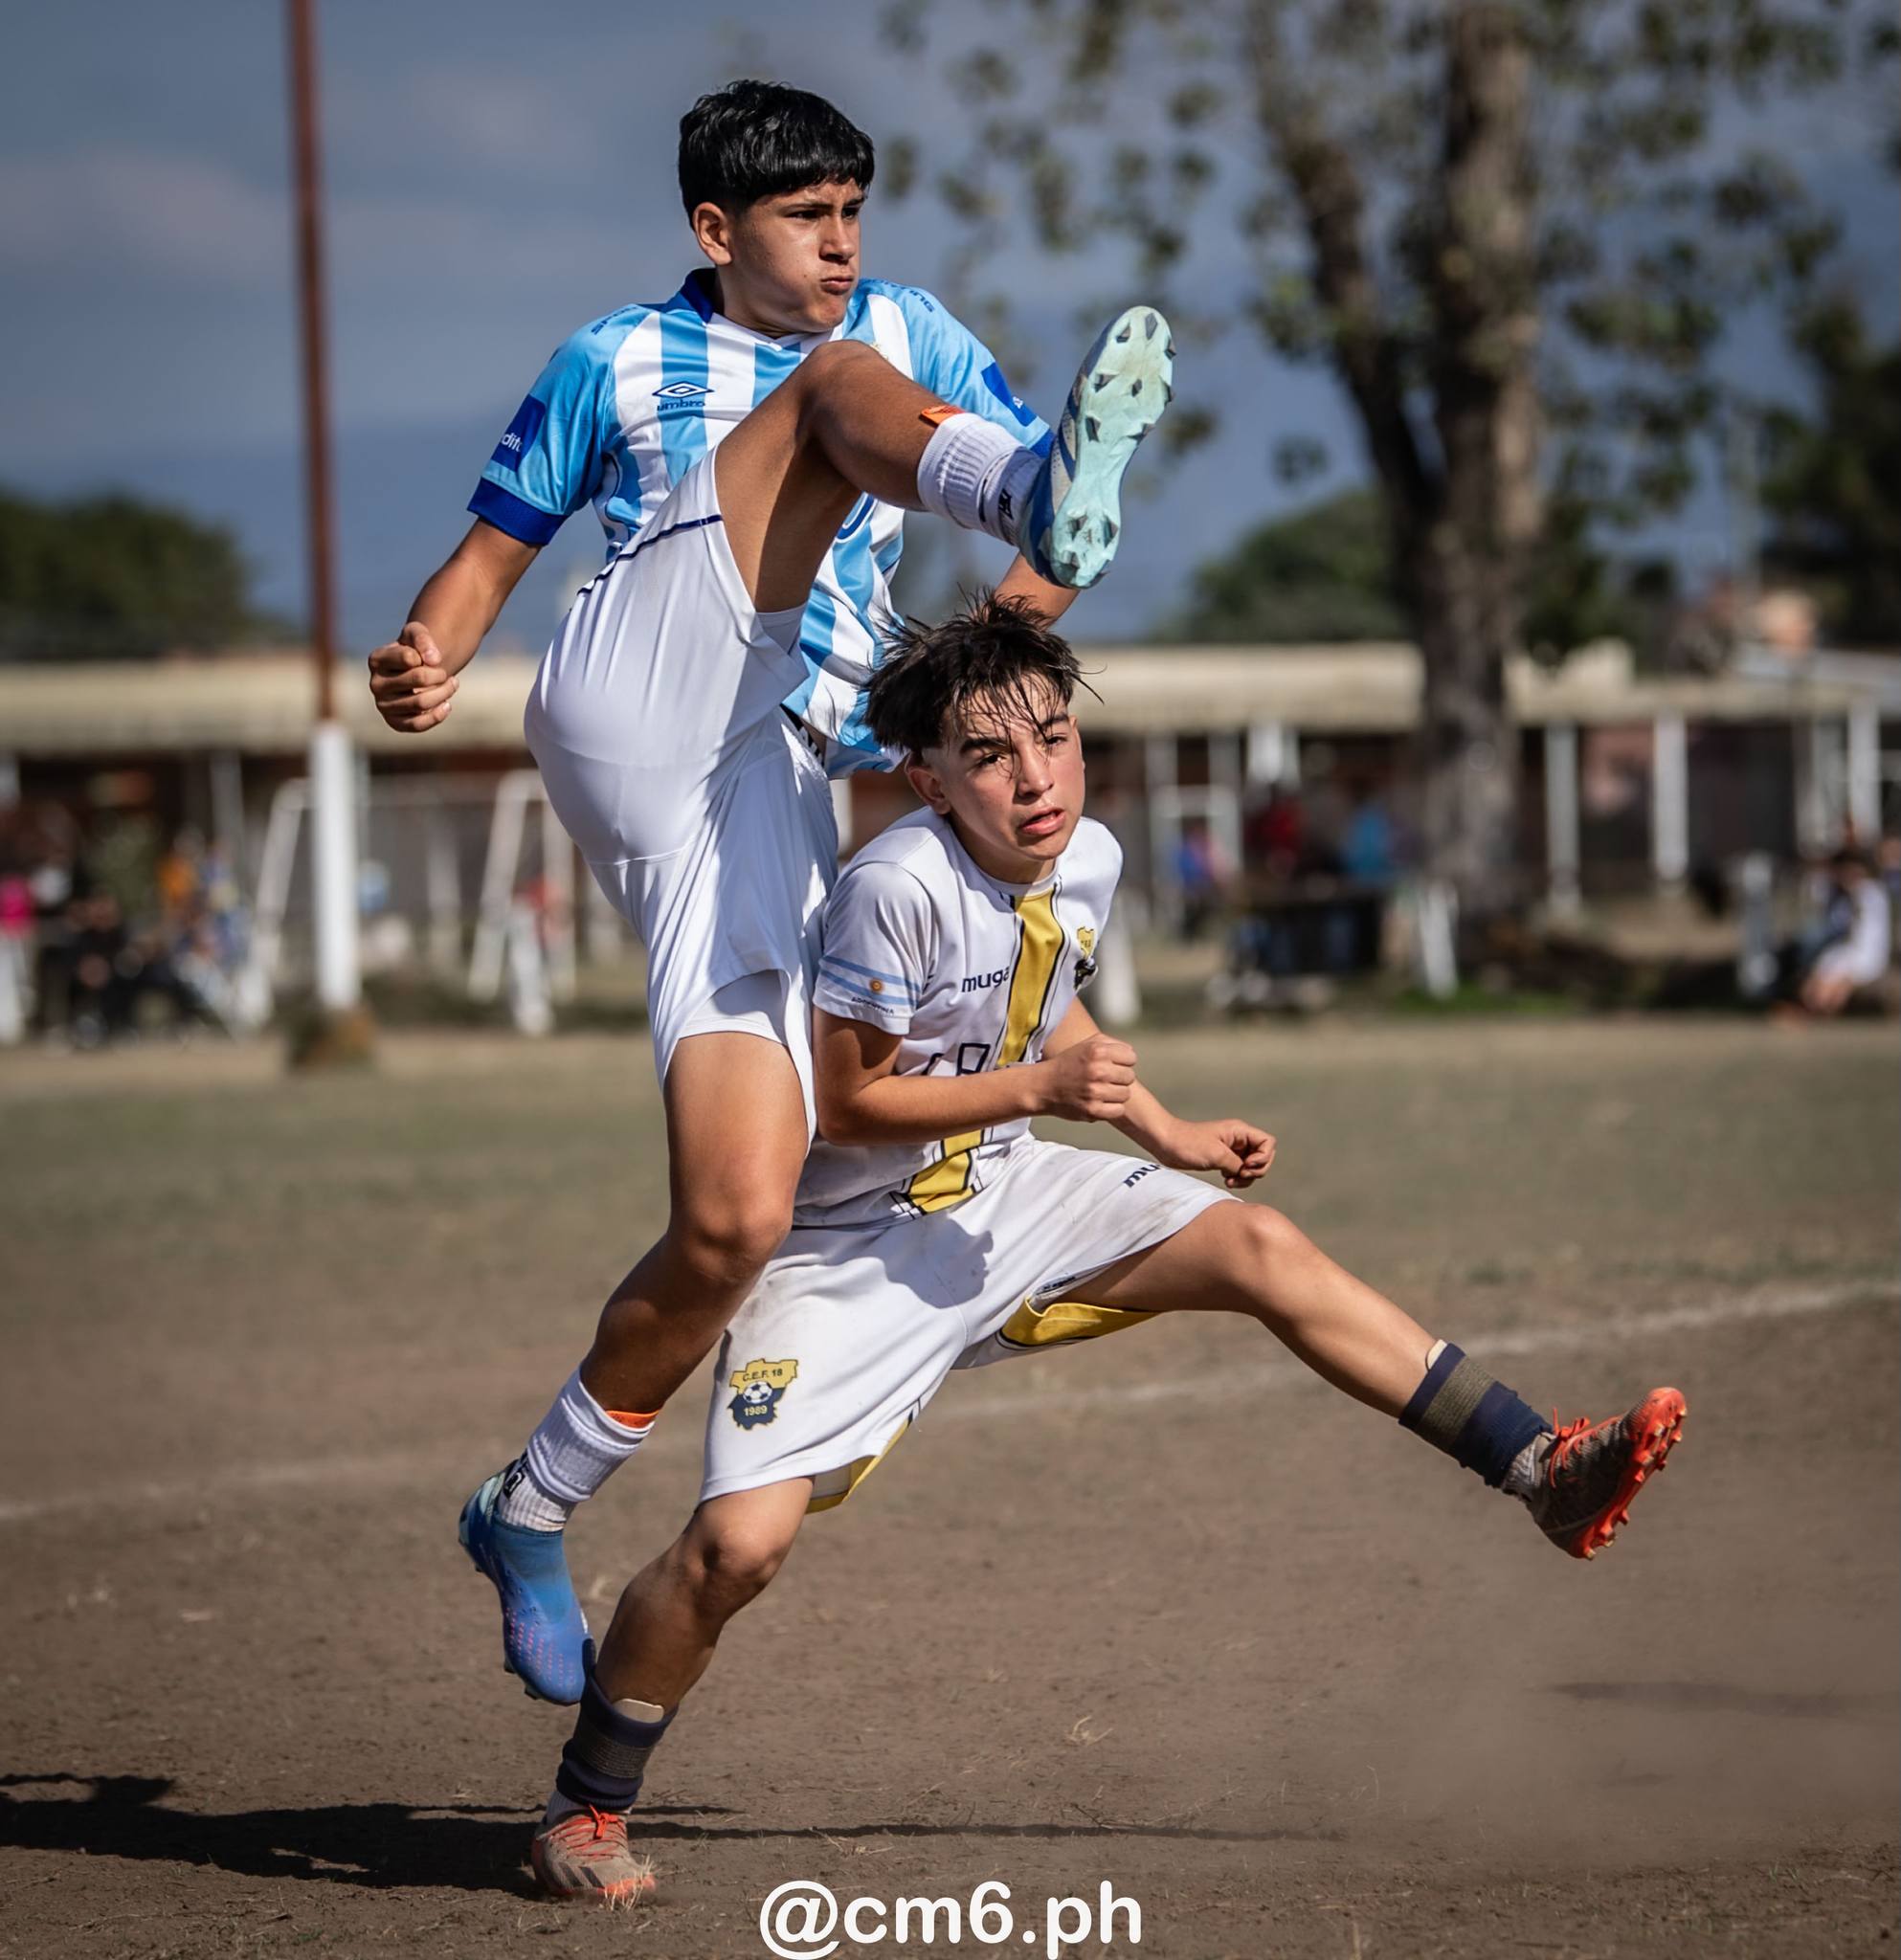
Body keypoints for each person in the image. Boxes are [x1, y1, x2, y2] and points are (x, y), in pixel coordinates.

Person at [526, 596, 1689, 1902]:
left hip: (1010, 1194)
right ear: (926, 777)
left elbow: (1048, 1007)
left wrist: (1169, 1130)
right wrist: (1034, 1096)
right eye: (988, 756)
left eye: (1055, 739)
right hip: (850, 1247)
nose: (1034, 779)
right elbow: (845, 1102)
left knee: (1256, 1249)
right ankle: (585, 1808)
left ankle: (1538, 1464)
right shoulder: (891, 887)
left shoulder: (1089, 856)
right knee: (736, 1550)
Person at [368, 79, 1178, 1706]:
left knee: (736, 1218)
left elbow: (1050, 538)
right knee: (828, 395)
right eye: (806, 217)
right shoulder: (619, 357)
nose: (839, 243)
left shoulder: (915, 330)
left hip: (773, 786)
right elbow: (489, 554)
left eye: (852, 213)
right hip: (642, 700)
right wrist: (426, 653)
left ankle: (525, 1514)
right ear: (714, 229)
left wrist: (1000, 621)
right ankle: (1005, 484)